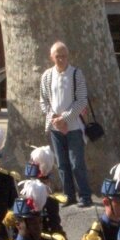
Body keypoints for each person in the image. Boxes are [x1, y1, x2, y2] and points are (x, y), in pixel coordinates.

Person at [38, 42, 94, 206]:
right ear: (52, 57)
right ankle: (69, 196)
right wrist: (54, 117)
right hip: (55, 128)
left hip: (74, 127)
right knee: (62, 164)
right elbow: (43, 101)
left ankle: (85, 196)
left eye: (64, 56)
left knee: (77, 163)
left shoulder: (76, 74)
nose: (61, 59)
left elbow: (82, 100)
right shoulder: (47, 76)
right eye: (58, 56)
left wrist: (66, 118)